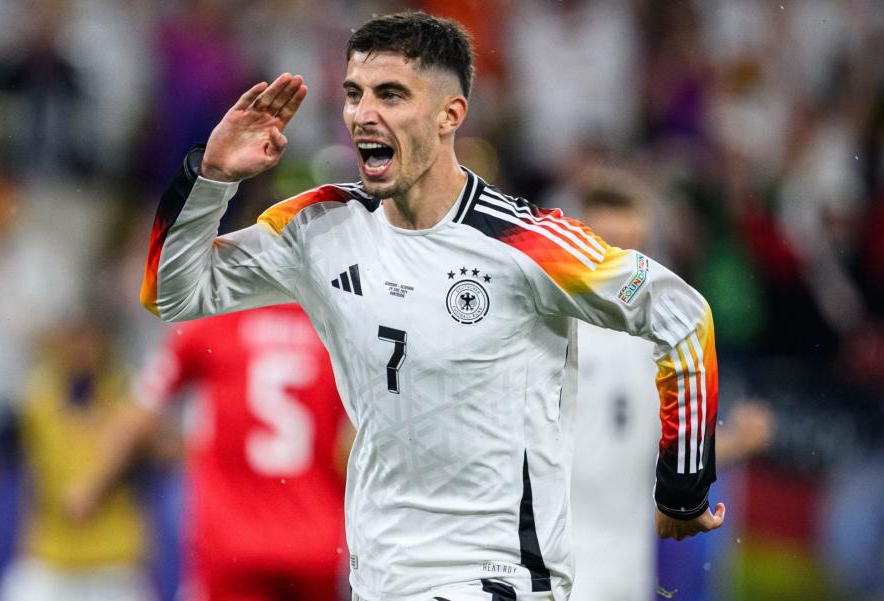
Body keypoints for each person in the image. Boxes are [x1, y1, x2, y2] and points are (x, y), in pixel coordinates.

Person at [139, 12, 724, 601]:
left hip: (499, 578)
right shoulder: (319, 227)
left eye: (391, 94)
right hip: (380, 578)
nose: (364, 114)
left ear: (450, 115)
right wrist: (210, 177)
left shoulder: (525, 244)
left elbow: (680, 313)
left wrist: (683, 487)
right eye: (354, 94)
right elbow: (174, 292)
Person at [566, 169, 773, 601]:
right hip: (552, 565)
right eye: (605, 245)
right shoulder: (548, 330)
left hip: (626, 570)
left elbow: (670, 447)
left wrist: (740, 440)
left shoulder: (661, 343)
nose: (619, 261)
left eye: (632, 247)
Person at [66, 305, 350, 601]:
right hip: (317, 540)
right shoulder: (331, 326)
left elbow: (142, 409)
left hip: (232, 543)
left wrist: (92, 485)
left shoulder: (215, 324)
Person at [0, 313, 154, 601]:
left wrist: (101, 481)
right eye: (73, 339)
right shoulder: (38, 395)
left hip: (112, 556)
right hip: (51, 553)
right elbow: (2, 447)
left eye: (89, 339)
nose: (81, 350)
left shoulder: (129, 396)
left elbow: (160, 450)